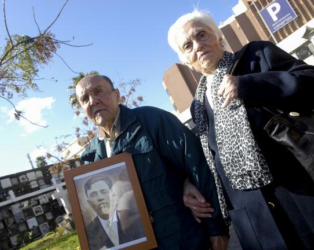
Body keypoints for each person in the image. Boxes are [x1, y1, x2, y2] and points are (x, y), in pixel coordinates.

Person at [168, 10, 314, 250]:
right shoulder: (198, 106)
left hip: (302, 197)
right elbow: (210, 161)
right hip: (255, 221)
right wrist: (188, 183)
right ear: (184, 60)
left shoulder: (256, 56)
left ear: (219, 37)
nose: (198, 46)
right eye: (187, 45)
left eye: (201, 35)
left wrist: (248, 84)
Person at [76, 74, 229, 250]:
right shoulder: (90, 157)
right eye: (85, 98)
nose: (93, 101)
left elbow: (197, 165)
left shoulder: (153, 120)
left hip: (184, 241)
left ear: (117, 95)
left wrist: (216, 228)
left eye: (98, 91)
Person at [84, 175, 143, 249]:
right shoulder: (88, 232)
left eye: (104, 192)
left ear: (113, 195)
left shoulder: (131, 217)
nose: (100, 198)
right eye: (94, 195)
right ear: (89, 203)